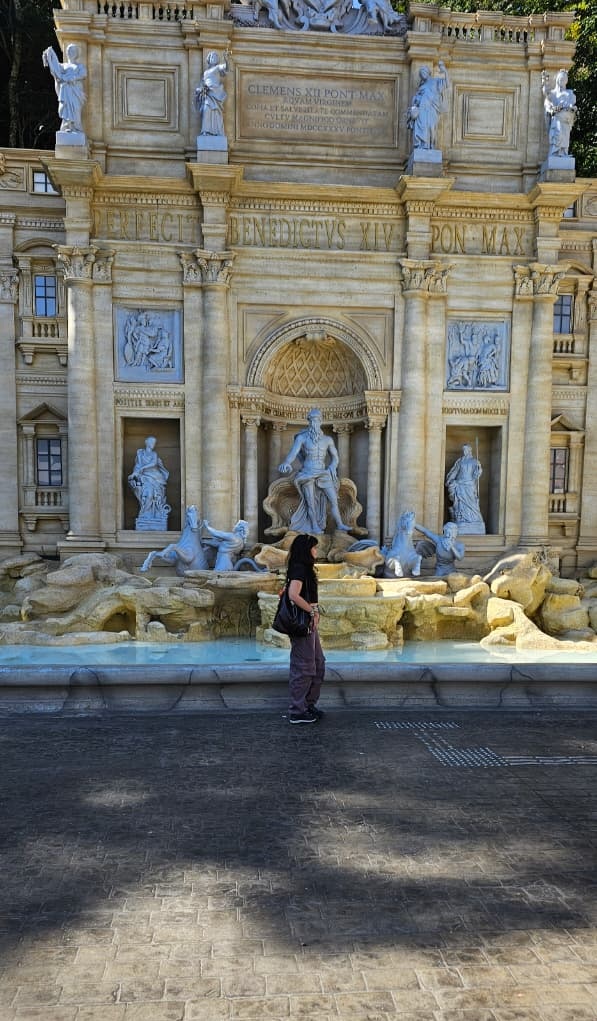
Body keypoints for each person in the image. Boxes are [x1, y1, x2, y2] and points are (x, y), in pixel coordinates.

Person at [278, 408, 350, 535]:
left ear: (320, 421)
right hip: (307, 473)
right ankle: (314, 526)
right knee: (310, 502)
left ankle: (340, 524)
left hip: (323, 473)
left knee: (333, 499)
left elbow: (335, 457)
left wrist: (333, 466)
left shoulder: (328, 440)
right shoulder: (302, 438)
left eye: (316, 420)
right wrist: (286, 463)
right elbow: (293, 453)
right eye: (311, 421)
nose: (313, 423)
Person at [285, 533, 325, 725]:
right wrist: (312, 611)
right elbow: (293, 595)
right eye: (314, 548)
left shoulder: (305, 569)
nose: (316, 551)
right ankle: (297, 711)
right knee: (304, 666)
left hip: (308, 622)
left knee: (318, 662)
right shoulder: (300, 568)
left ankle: (308, 704)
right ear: (306, 550)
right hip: (302, 623)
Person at [42, 44, 87, 134]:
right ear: (67, 53)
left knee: (76, 108)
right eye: (69, 51)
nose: (71, 53)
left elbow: (83, 74)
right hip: (66, 91)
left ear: (77, 53)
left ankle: (76, 127)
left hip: (75, 92)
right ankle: (68, 126)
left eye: (73, 51)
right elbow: (56, 69)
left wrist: (73, 78)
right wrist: (50, 55)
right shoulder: (63, 66)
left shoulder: (80, 66)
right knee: (66, 108)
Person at [128, 436, 171, 528]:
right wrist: (134, 473)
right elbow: (137, 466)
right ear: (146, 442)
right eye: (151, 442)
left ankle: (155, 515)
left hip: (155, 476)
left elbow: (154, 463)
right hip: (144, 478)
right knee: (148, 495)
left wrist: (143, 468)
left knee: (156, 496)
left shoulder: (154, 454)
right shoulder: (140, 453)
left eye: (154, 443)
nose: (153, 444)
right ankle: (144, 515)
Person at [407, 61, 448, 150]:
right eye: (421, 73)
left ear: (428, 73)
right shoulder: (421, 86)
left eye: (424, 72)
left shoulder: (435, 81)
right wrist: (416, 100)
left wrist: (445, 71)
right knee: (421, 127)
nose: (422, 74)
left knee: (431, 128)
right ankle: (421, 146)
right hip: (422, 110)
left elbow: (446, 83)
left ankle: (430, 146)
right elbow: (417, 98)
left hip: (432, 109)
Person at [445, 443, 486, 533]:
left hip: (469, 484)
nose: (464, 451)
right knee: (460, 502)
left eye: (466, 449)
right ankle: (462, 519)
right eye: (463, 450)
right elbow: (455, 471)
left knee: (471, 502)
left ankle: (473, 519)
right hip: (460, 483)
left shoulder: (475, 461)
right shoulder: (460, 461)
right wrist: (450, 479)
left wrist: (479, 469)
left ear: (469, 450)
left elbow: (476, 475)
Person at [542, 68, 577, 158]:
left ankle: (564, 153)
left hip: (566, 119)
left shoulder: (570, 93)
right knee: (557, 135)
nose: (563, 81)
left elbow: (572, 105)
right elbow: (546, 94)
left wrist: (572, 108)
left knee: (565, 137)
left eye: (564, 80)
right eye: (561, 79)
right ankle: (555, 153)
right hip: (557, 119)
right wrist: (545, 81)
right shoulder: (554, 93)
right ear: (558, 80)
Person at [195, 51, 229, 136]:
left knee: (216, 112)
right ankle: (205, 131)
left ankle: (218, 132)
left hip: (216, 92)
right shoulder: (205, 72)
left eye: (216, 56)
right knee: (206, 110)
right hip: (207, 93)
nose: (214, 57)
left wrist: (226, 59)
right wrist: (199, 89)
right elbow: (202, 83)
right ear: (209, 59)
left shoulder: (218, 67)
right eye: (213, 56)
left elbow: (226, 68)